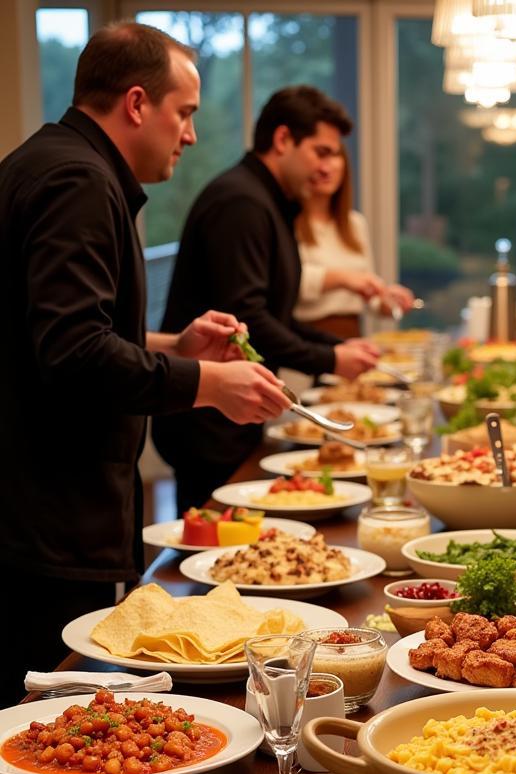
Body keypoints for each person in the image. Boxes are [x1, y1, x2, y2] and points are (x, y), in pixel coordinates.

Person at [0, 22, 291, 687]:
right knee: (45, 720)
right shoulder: (77, 180)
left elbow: (51, 331)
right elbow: (73, 354)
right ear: (136, 104)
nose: (190, 135)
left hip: (41, 514)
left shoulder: (60, 163)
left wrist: (172, 345)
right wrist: (207, 383)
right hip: (46, 519)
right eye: (183, 113)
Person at [153, 86, 380, 513]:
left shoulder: (268, 202)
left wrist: (335, 348)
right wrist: (330, 360)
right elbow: (249, 319)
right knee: (211, 556)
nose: (327, 166)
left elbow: (276, 314)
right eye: (320, 151)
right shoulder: (242, 202)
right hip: (205, 422)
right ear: (282, 140)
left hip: (224, 417)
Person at [294, 136, 415, 339]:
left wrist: (387, 301)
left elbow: (369, 299)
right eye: (319, 156)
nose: (326, 167)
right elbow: (286, 282)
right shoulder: (287, 222)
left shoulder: (355, 223)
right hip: (304, 343)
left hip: (352, 341)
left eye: (333, 156)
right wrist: (343, 278)